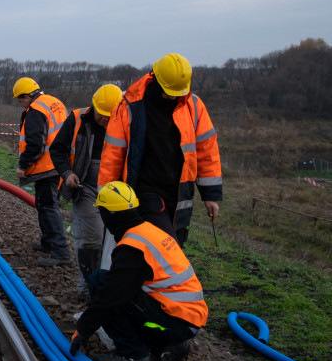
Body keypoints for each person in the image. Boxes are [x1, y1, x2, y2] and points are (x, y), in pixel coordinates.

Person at [69, 181, 208, 361]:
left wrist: (83, 329)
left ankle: (132, 355)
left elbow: (111, 297)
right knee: (117, 288)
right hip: (186, 319)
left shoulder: (133, 248)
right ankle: (166, 346)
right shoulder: (149, 231)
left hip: (175, 322)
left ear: (109, 214)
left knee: (101, 284)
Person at [98, 53, 222, 246]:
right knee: (165, 248)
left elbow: (207, 151)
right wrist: (105, 198)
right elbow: (112, 156)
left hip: (180, 194)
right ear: (155, 78)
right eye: (168, 91)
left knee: (172, 248)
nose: (173, 97)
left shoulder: (194, 106)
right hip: (146, 191)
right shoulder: (130, 107)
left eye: (177, 92)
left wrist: (211, 195)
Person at [50, 84, 123, 302]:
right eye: (103, 115)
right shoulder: (77, 119)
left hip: (118, 191)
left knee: (117, 241)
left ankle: (109, 288)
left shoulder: (125, 122)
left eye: (111, 116)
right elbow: (57, 149)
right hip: (86, 187)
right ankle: (88, 288)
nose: (106, 120)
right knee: (91, 238)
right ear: (94, 107)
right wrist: (67, 173)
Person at [13, 77, 72, 267]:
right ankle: (48, 242)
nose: (20, 104)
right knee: (44, 203)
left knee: (48, 206)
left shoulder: (35, 111)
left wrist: (23, 166)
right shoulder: (55, 103)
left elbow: (35, 144)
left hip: (46, 166)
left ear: (27, 96)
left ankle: (61, 251)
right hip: (60, 162)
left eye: (20, 100)